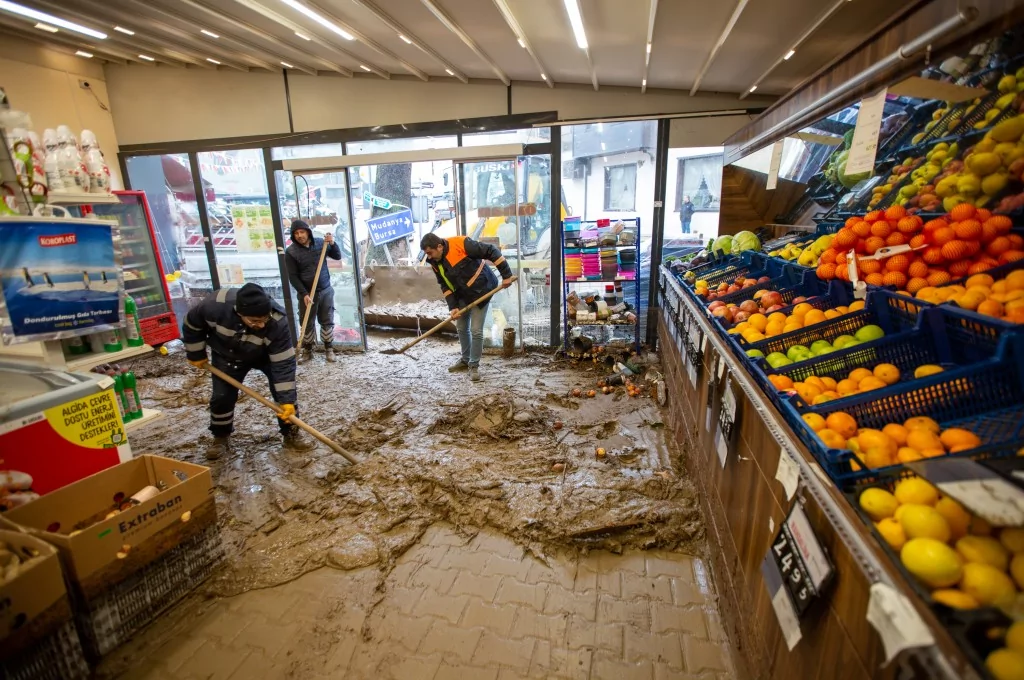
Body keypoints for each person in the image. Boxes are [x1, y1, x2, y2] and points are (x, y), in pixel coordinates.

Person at [182, 283, 313, 460]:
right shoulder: (214, 306)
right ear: (239, 313)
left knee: (283, 396)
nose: (260, 325)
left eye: (263, 319)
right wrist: (196, 352)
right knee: (222, 396)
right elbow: (192, 325)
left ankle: (291, 433)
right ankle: (220, 437)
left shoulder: (276, 321)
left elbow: (283, 364)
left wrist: (287, 400)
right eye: (253, 321)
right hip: (227, 354)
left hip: (265, 355)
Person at [420, 233, 514, 382]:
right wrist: (453, 306)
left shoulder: (461, 244)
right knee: (462, 327)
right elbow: (444, 284)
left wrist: (506, 274)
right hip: (463, 293)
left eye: (430, 253)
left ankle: (474, 366)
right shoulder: (434, 262)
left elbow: (491, 250)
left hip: (483, 288)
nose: (429, 257)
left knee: (476, 330)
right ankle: (465, 360)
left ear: (439, 247)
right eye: (426, 254)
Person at [285, 219, 342, 363]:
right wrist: (304, 293)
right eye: (296, 233)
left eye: (302, 232)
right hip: (307, 293)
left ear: (308, 232)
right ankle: (307, 350)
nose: (299, 235)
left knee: (327, 319)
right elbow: (293, 276)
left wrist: (332, 243)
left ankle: (329, 349)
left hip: (325, 290)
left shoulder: (319, 244)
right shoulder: (291, 252)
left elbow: (337, 256)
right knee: (307, 322)